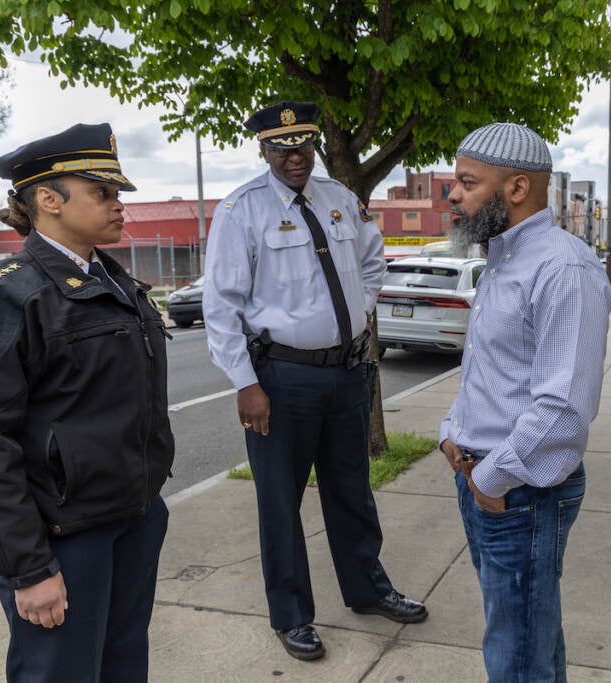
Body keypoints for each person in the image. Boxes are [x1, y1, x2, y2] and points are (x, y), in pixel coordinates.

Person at [0, 123, 175, 682]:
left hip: (133, 517)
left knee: (122, 665)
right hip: (63, 538)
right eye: (103, 193)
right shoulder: (1, 298)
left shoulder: (116, 285)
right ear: (48, 200)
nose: (120, 207)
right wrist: (27, 568)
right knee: (60, 673)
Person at [202, 101, 427, 661]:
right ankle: (292, 614)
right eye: (282, 147)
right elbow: (220, 305)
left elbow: (373, 262)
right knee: (280, 501)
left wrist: (357, 309)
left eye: (303, 144)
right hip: (281, 380)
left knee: (352, 491)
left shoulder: (341, 200)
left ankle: (367, 591)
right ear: (263, 149)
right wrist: (245, 382)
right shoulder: (241, 210)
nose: (295, 156)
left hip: (347, 373)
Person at [439, 122, 611, 681]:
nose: (452, 194)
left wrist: (493, 479)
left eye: (467, 182)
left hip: (521, 493)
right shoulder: (500, 260)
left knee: (516, 657)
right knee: (530, 640)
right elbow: (492, 372)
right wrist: (452, 431)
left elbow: (563, 406)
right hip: (488, 478)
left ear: (516, 188)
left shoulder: (562, 266)